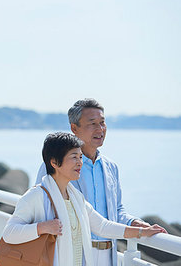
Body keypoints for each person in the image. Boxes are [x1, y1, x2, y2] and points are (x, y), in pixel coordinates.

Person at [34, 99, 166, 266]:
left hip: (108, 255)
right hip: (70, 254)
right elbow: (41, 209)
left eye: (102, 123)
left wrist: (134, 223)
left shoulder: (111, 167)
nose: (100, 129)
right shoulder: (55, 166)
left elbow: (116, 211)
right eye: (92, 123)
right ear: (74, 128)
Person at [2, 132, 165, 266]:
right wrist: (42, 227)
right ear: (54, 163)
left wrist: (143, 232)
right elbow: (9, 233)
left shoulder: (75, 197)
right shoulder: (36, 196)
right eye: (74, 157)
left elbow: (102, 226)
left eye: (80, 157)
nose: (79, 163)